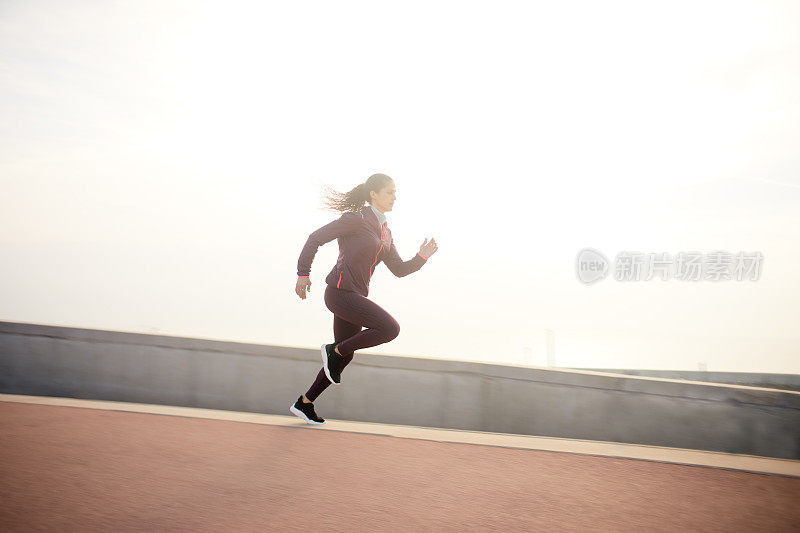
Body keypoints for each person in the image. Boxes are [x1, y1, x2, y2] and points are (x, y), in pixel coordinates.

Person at [289, 173, 438, 424]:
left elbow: (399, 269)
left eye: (395, 192)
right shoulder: (356, 219)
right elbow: (315, 238)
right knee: (389, 328)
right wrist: (303, 273)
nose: (394, 197)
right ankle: (332, 351)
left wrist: (421, 258)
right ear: (373, 194)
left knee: (345, 355)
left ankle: (305, 403)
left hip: (354, 296)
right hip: (338, 293)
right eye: (390, 192)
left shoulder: (385, 232)